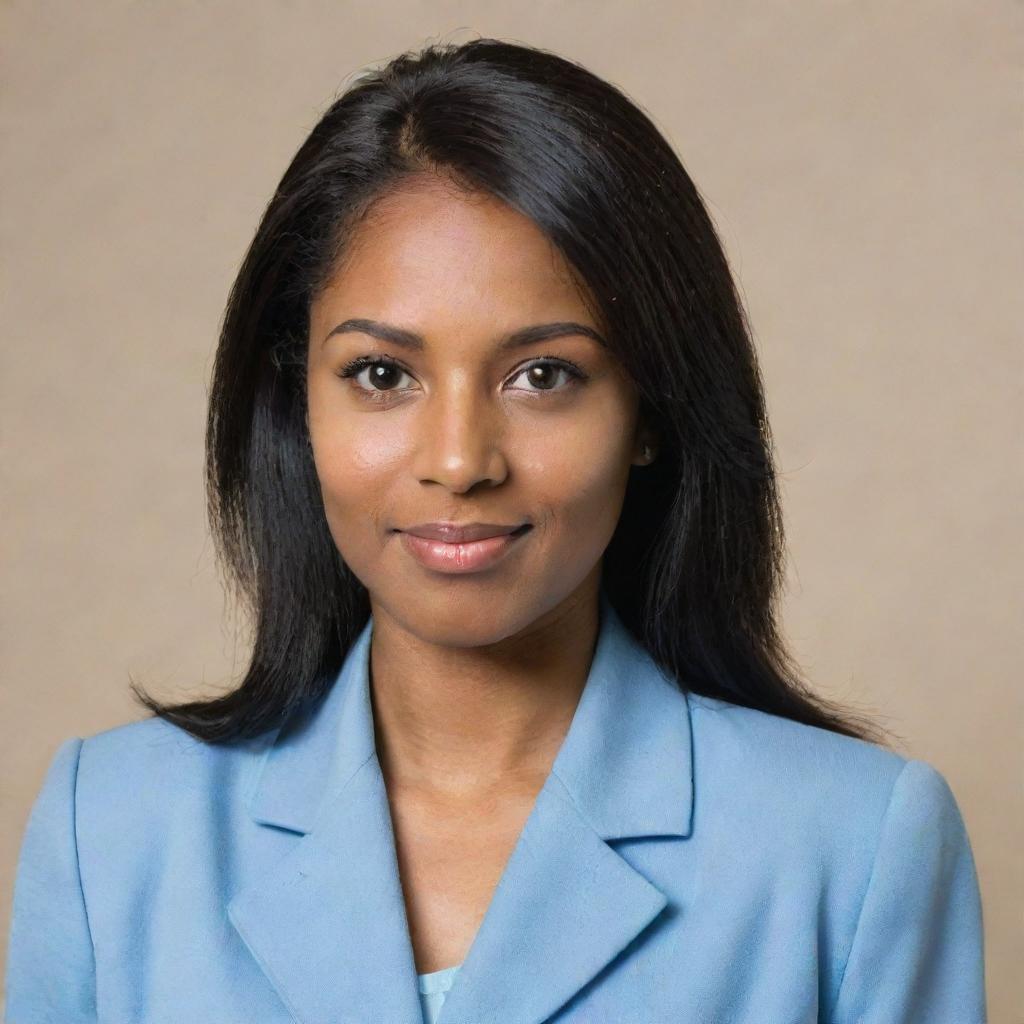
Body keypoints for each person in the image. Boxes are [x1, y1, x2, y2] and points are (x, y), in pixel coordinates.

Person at [5, 37, 986, 1024]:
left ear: (648, 411)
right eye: (382, 375)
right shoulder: (116, 833)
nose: (460, 458)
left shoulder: (852, 849)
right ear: (296, 400)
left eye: (543, 375)